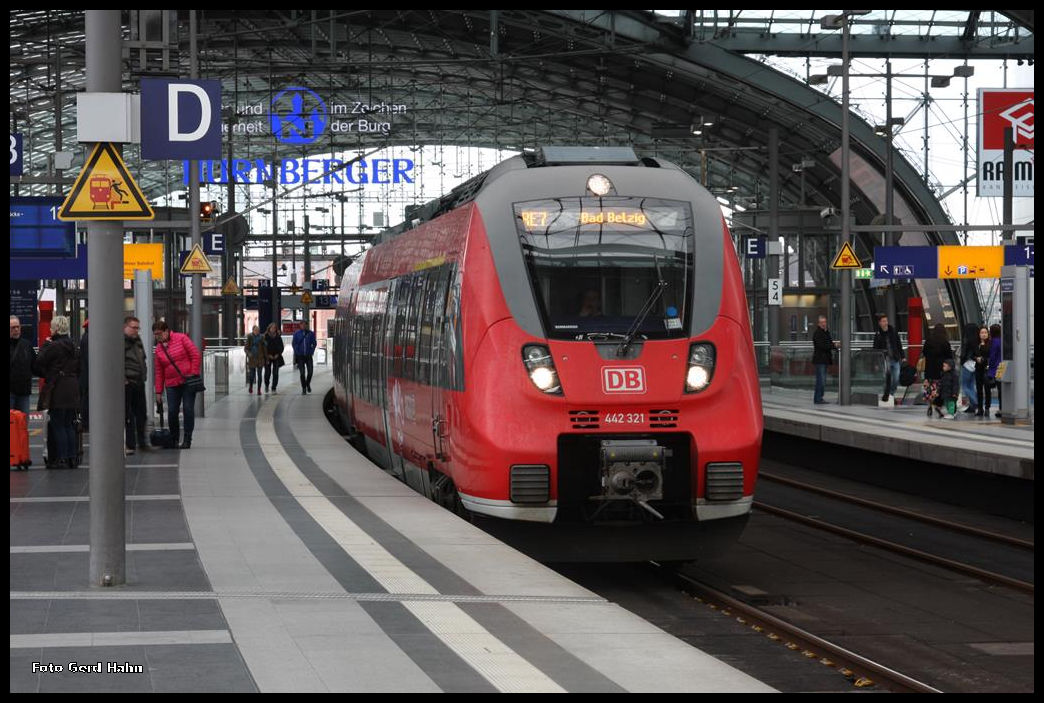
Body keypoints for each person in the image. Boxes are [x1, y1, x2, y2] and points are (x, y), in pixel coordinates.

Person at [32, 316, 81, 468]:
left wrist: (46, 344)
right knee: (68, 424)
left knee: (58, 424)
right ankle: (72, 457)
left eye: (52, 328)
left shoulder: (54, 346)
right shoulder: (73, 346)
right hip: (72, 387)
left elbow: (39, 361)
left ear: (56, 329)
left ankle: (62, 458)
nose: (50, 330)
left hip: (58, 388)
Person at [153, 320, 201, 449]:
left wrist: (193, 373)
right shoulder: (159, 349)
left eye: (159, 334)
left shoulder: (181, 338)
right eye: (155, 334)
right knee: (172, 411)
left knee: (188, 409)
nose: (157, 337)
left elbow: (195, 355)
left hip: (187, 381)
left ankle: (187, 439)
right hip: (171, 384)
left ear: (166, 331)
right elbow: (159, 372)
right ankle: (174, 438)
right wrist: (158, 391)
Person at [123, 316, 148, 455]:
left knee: (141, 413)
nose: (136, 330)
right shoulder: (121, 341)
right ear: (125, 327)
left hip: (138, 381)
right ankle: (130, 443)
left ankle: (142, 441)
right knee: (128, 415)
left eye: (138, 328)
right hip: (128, 382)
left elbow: (142, 358)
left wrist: (144, 374)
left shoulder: (137, 341)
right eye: (133, 327)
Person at [920, 323, 954, 417]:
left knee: (930, 387)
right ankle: (938, 405)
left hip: (929, 368)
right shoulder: (945, 342)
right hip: (941, 369)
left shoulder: (928, 341)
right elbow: (949, 356)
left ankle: (930, 405)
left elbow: (924, 352)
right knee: (939, 388)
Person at [9, 315, 37, 414]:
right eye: (13, 327)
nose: (16, 330)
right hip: (11, 391)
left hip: (24, 391)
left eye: (18, 327)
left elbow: (35, 365)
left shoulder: (27, 345)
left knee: (23, 420)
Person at [872, 314, 903, 402]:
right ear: (880, 323)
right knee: (887, 379)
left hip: (895, 358)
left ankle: (891, 394)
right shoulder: (878, 334)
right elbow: (875, 349)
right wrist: (876, 363)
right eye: (883, 321)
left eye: (886, 321)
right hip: (885, 361)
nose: (885, 323)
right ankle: (888, 395)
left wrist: (903, 356)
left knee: (896, 379)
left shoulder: (893, 331)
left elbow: (899, 344)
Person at [811, 315, 839, 405]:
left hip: (824, 360)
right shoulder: (818, 333)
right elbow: (823, 345)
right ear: (818, 324)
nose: (824, 324)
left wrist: (834, 346)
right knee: (821, 380)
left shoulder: (826, 332)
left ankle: (819, 397)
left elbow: (828, 343)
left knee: (822, 380)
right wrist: (834, 345)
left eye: (825, 322)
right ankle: (818, 398)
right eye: (822, 322)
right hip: (820, 360)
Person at [957, 322, 980, 414]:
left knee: (965, 386)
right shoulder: (978, 341)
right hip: (975, 365)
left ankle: (975, 403)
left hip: (967, 364)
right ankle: (972, 406)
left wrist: (962, 361)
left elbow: (963, 354)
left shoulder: (966, 340)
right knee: (971, 385)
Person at [292, 320, 317, 394]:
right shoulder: (296, 333)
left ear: (307, 325)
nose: (303, 326)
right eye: (302, 325)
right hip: (300, 356)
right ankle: (304, 388)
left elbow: (314, 343)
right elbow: (294, 343)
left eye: (305, 325)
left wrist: (311, 351)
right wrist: (297, 352)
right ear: (300, 325)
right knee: (302, 373)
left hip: (308, 355)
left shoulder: (310, 333)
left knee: (310, 372)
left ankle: (307, 383)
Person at [973, 326, 990, 417]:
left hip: (986, 369)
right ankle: (980, 408)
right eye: (982, 333)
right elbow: (972, 355)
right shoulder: (976, 344)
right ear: (979, 334)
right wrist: (976, 358)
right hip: (978, 369)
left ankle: (987, 408)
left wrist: (982, 359)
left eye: (985, 333)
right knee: (979, 390)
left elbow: (990, 356)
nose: (983, 334)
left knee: (987, 389)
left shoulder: (990, 344)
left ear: (988, 334)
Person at [986, 323, 1003, 418]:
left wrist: (989, 366)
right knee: (1002, 390)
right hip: (1002, 367)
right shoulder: (1002, 340)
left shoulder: (994, 342)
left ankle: (1001, 408)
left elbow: (992, 356)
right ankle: (1002, 407)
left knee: (999, 389)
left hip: (996, 368)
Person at [244, 325, 266, 395]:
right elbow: (246, 348)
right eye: (255, 330)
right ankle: (250, 386)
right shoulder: (249, 337)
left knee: (259, 375)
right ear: (253, 331)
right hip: (252, 358)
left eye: (258, 330)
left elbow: (265, 348)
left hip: (260, 358)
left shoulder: (262, 337)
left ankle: (259, 390)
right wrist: (249, 354)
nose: (257, 331)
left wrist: (266, 358)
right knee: (252, 375)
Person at [263, 322, 285, 394]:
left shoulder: (278, 337)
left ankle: (274, 388)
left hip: (276, 357)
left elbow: (281, 347)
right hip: (268, 357)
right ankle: (266, 385)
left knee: (275, 373)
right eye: (272, 328)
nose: (273, 329)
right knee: (267, 373)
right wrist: (267, 355)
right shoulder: (265, 337)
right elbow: (263, 347)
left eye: (274, 328)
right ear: (269, 328)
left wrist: (278, 354)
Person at [79, 319, 89, 432]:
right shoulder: (89, 339)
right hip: (87, 375)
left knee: (85, 398)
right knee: (86, 399)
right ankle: (86, 422)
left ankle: (85, 422)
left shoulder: (84, 338)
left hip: (84, 375)